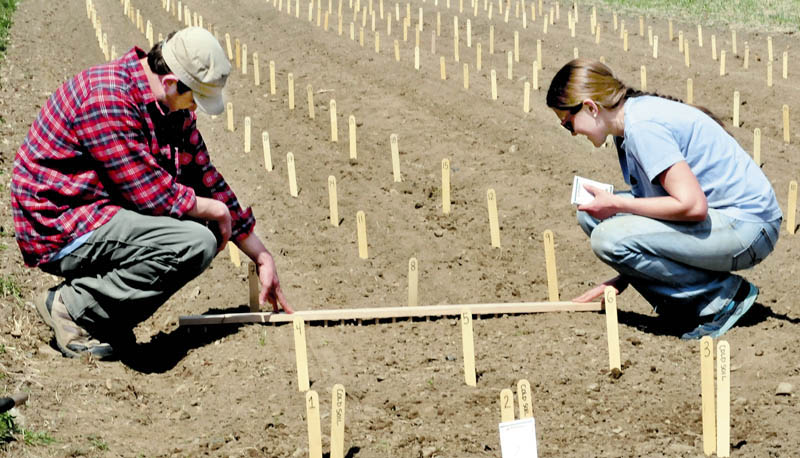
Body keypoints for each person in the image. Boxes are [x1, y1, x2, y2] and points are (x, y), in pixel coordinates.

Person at [11, 27, 293, 360]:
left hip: (99, 208)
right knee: (193, 241)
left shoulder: (169, 106)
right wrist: (217, 212)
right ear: (172, 81)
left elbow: (204, 174)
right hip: (59, 221)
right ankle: (71, 307)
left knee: (199, 227)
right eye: (193, 99)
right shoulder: (108, 99)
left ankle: (101, 312)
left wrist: (260, 254)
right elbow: (150, 195)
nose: (195, 110)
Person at [546, 59, 782, 339]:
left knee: (606, 237)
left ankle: (724, 298)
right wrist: (626, 276)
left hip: (749, 228)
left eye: (568, 123)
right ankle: (689, 304)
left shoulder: (643, 128)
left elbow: (691, 206)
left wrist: (617, 204)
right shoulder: (631, 124)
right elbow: (659, 221)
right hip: (726, 223)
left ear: (590, 107)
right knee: (590, 214)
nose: (572, 133)